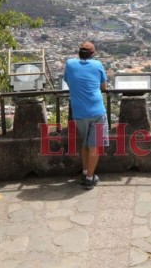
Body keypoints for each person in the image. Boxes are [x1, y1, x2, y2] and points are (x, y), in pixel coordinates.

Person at [64, 41, 108, 190]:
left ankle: (84, 172)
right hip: (96, 110)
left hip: (79, 111)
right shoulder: (97, 65)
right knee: (94, 146)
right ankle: (90, 178)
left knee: (85, 143)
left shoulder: (70, 64)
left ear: (78, 53)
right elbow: (103, 87)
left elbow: (68, 81)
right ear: (93, 54)